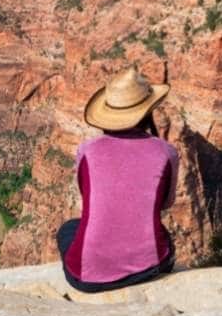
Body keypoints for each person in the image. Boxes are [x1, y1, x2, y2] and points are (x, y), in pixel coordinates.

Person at [56, 66, 179, 293]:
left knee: (68, 229)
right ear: (147, 111)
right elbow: (166, 204)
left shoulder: (87, 151)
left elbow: (89, 198)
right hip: (150, 266)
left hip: (87, 278)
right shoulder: (167, 152)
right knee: (164, 237)